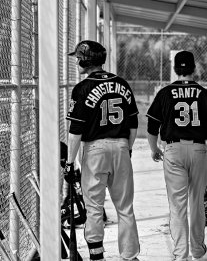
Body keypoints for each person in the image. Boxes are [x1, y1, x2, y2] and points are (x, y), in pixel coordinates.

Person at [146, 50, 207, 261]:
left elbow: (151, 126)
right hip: (198, 150)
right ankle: (197, 249)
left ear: (175, 70)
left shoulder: (165, 93)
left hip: (173, 150)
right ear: (193, 69)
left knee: (177, 205)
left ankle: (180, 254)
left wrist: (154, 149)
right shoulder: (203, 93)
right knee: (196, 203)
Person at [65, 40, 140, 261]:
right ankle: (130, 256)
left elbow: (75, 131)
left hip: (95, 150)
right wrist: (127, 148)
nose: (76, 62)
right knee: (125, 206)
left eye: (78, 58)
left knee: (94, 206)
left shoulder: (83, 88)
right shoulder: (122, 84)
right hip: (121, 146)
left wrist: (70, 163)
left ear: (85, 60)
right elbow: (133, 125)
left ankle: (97, 256)